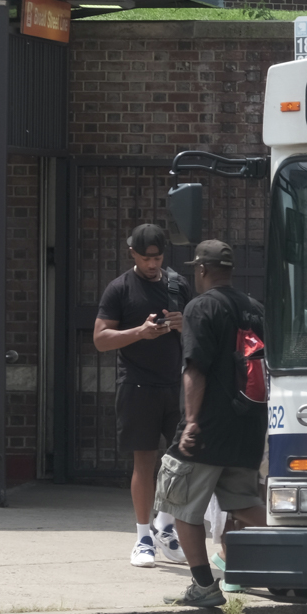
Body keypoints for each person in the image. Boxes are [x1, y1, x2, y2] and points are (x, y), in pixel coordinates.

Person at [155, 240, 268, 607]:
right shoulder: (255, 309)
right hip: (247, 425)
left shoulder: (200, 307)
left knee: (181, 504)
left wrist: (190, 422)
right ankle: (297, 563)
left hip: (207, 427)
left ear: (201, 269)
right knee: (246, 504)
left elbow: (195, 368)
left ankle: (203, 587)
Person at [93, 223, 190, 568]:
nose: (153, 264)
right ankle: (143, 536)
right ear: (132, 253)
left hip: (176, 385)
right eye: (146, 257)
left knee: (184, 461)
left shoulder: (178, 285)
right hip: (136, 384)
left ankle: (165, 523)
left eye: (158, 257)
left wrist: (184, 325)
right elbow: (101, 339)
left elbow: (200, 335)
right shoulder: (119, 288)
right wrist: (140, 332)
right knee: (144, 461)